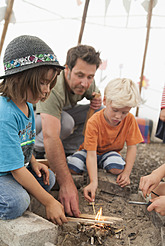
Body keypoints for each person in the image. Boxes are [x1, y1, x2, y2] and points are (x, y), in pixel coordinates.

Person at [0, 35, 68, 225]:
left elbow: (23, 143)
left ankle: (18, 189)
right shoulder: (5, 114)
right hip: (6, 170)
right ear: (20, 79)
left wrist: (34, 162)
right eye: (42, 83)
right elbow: (16, 169)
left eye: (50, 84)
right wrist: (49, 201)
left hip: (12, 168)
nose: (47, 90)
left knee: (48, 178)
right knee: (16, 202)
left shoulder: (27, 105)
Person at [35, 45, 102, 216]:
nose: (84, 83)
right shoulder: (55, 86)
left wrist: (96, 100)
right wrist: (66, 182)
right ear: (67, 69)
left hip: (60, 116)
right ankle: (38, 149)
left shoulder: (87, 82)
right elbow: (51, 136)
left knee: (100, 111)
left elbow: (96, 95)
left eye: (90, 77)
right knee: (65, 122)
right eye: (80, 75)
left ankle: (69, 152)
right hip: (34, 121)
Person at [67, 78, 144, 202]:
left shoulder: (129, 120)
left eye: (124, 112)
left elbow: (132, 147)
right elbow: (91, 153)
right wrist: (93, 182)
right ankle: (86, 166)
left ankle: (97, 166)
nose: (118, 116)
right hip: (89, 153)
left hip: (109, 153)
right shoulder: (94, 121)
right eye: (115, 110)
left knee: (117, 168)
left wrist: (126, 173)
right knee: (73, 166)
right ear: (105, 101)